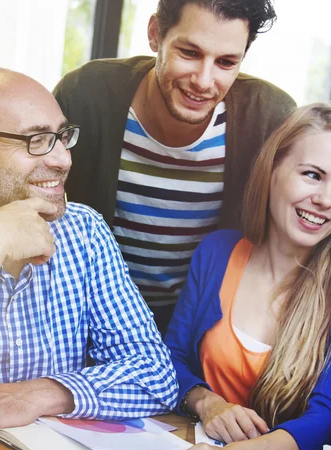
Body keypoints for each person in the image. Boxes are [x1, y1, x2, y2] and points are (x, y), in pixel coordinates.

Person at [153, 104, 331, 450]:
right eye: (312, 175)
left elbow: (329, 418)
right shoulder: (217, 251)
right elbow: (171, 359)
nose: (326, 200)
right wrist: (208, 403)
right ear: (273, 170)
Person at [54, 0, 296, 333]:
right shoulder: (86, 95)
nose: (203, 80)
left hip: (200, 330)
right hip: (86, 316)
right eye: (190, 53)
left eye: (226, 62)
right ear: (155, 35)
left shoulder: (269, 118)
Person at [0, 68, 179, 431]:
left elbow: (157, 377)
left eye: (62, 137)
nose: (63, 160)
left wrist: (37, 395)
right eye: (35, 140)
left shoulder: (83, 232)